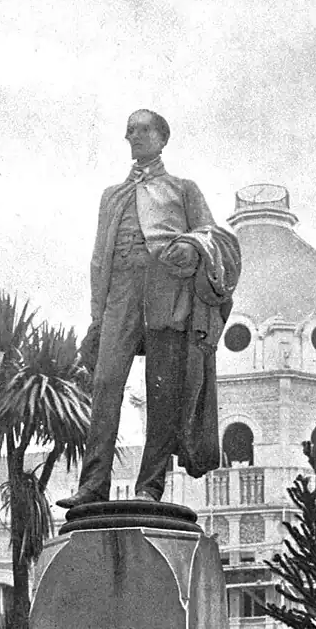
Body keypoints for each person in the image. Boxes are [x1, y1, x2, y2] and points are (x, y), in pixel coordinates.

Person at [57, 109, 240, 509]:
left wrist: (190, 246)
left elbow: (213, 236)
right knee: (106, 385)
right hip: (120, 293)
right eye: (130, 131)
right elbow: (99, 259)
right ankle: (93, 485)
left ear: (162, 138)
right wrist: (97, 316)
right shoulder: (112, 195)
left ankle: (150, 487)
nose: (134, 136)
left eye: (143, 129)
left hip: (166, 289)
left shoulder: (183, 189)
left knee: (162, 391)